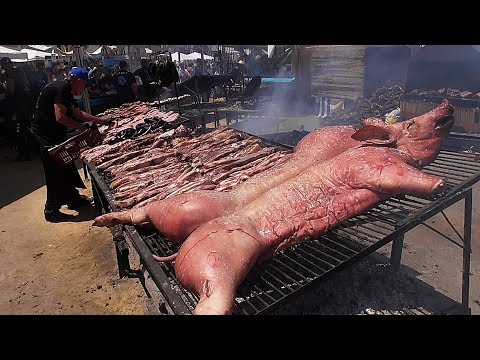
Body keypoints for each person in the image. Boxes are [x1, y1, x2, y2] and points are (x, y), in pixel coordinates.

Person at [30, 67, 111, 222]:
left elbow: (77, 113)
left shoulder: (66, 89)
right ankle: (51, 210)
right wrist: (82, 127)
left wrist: (100, 120)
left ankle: (72, 198)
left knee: (66, 165)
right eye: (85, 85)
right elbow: (60, 116)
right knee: (54, 169)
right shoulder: (61, 88)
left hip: (54, 132)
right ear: (78, 81)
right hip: (45, 134)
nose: (85, 89)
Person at [1, 57, 34, 161]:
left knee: (19, 129)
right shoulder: (20, 71)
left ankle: (23, 154)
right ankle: (29, 152)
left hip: (18, 106)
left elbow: (11, 91)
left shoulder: (10, 73)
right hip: (27, 103)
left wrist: (4, 91)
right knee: (27, 127)